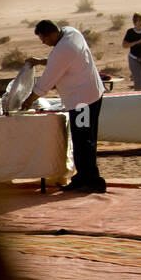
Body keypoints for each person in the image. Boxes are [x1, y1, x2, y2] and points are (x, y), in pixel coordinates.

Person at [24, 19, 106, 193]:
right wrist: (41, 61)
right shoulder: (71, 32)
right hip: (92, 93)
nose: (43, 43)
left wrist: (29, 100)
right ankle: (83, 177)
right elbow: (60, 61)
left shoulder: (63, 49)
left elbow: (46, 81)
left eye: (44, 39)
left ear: (52, 34)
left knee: (84, 141)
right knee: (84, 140)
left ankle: (93, 181)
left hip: (83, 101)